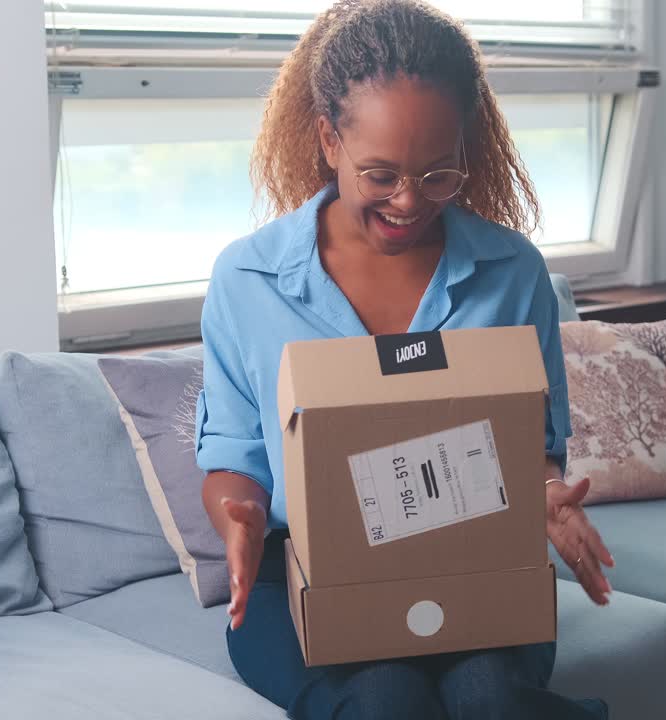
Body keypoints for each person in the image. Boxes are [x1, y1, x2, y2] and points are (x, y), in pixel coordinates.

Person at [195, 1, 615, 717]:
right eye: (381, 174)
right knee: (385, 699)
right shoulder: (248, 280)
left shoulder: (513, 273)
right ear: (329, 139)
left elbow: (534, 447)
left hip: (472, 561)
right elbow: (235, 454)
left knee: (488, 696)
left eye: (438, 175)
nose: (409, 202)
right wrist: (240, 517)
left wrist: (544, 493)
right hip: (299, 571)